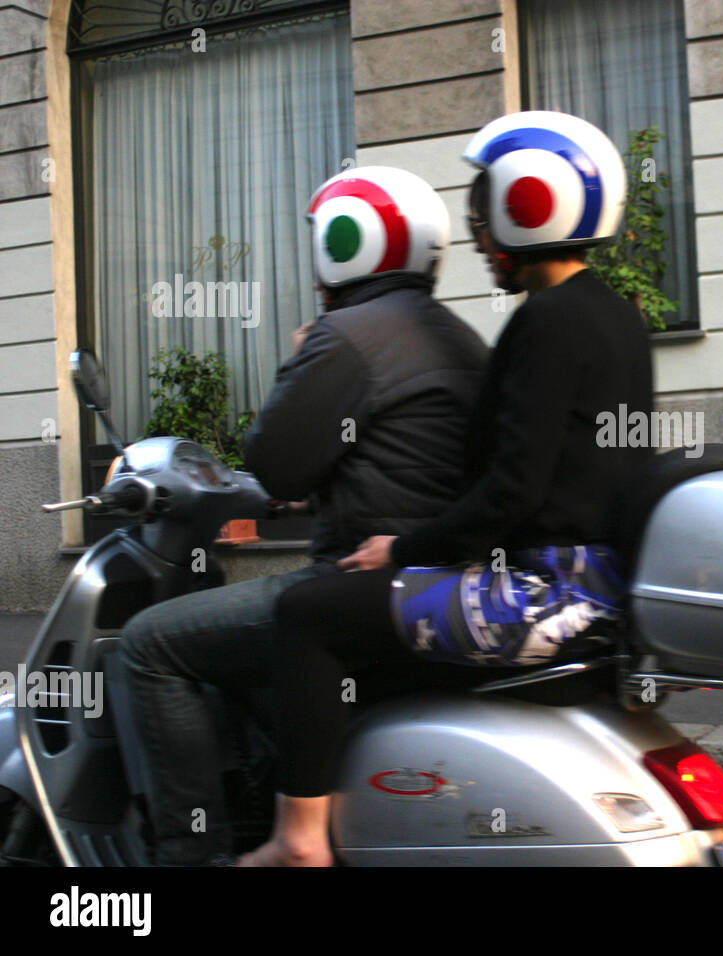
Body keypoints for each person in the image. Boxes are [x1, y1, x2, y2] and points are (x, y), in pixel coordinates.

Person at [238, 111, 654, 867]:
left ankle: (297, 843)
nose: (474, 230)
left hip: (542, 595)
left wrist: (403, 547)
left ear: (528, 204)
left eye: (483, 203)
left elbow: (511, 494)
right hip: (594, 584)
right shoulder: (614, 317)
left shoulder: (546, 323)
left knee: (307, 613)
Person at [117, 166, 488, 866]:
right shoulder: (457, 336)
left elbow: (279, 459)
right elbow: (399, 457)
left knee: (150, 645)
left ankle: (188, 854)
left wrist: (301, 358)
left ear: (347, 244)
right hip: (435, 582)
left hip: (354, 585)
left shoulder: (346, 335)